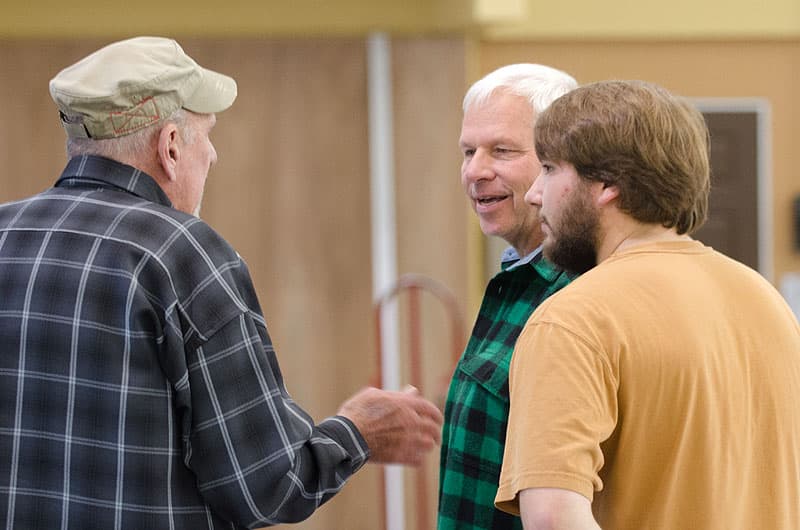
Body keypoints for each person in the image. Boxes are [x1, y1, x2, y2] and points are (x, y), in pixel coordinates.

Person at [0, 36, 443, 529]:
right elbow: (270, 485)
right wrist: (359, 431)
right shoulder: (183, 255)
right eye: (206, 135)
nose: (213, 155)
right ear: (169, 146)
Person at [495, 80, 800, 529]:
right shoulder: (767, 303)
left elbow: (554, 519)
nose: (535, 193)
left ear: (607, 185)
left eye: (549, 168)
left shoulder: (572, 322)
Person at [438, 64, 578, 530]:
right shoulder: (515, 277)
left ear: (558, 163)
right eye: (468, 151)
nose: (475, 171)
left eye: (501, 150)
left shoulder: (578, 293)